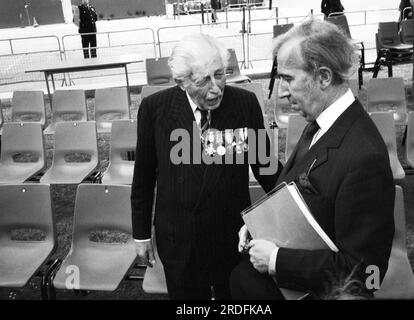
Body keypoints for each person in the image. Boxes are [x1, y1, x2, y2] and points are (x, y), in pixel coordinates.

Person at [230, 19, 395, 300]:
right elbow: (294, 191)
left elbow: (367, 275)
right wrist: (260, 224)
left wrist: (276, 260)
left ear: (323, 77)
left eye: (288, 78)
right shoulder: (321, 121)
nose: (281, 91)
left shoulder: (364, 158)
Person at [131, 33, 282, 300]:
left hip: (230, 236)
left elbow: (266, 167)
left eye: (220, 75)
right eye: (203, 80)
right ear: (182, 82)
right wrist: (141, 234)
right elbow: (143, 178)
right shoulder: (155, 109)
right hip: (179, 238)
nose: (216, 88)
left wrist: (300, 204)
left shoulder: (244, 104)